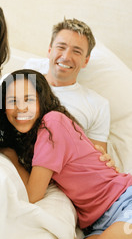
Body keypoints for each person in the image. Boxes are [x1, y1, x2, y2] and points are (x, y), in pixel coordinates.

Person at [0, 69, 132, 239]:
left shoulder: (52, 123)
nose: (21, 107)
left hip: (124, 201)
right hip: (96, 223)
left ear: (42, 100)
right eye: (12, 100)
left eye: (29, 99)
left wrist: (11, 156)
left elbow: (32, 195)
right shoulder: (29, 139)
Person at [24, 18, 110, 152]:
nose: (66, 56)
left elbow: (97, 159)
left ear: (85, 61)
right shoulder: (19, 83)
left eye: (76, 51)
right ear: (49, 50)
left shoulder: (98, 105)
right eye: (61, 47)